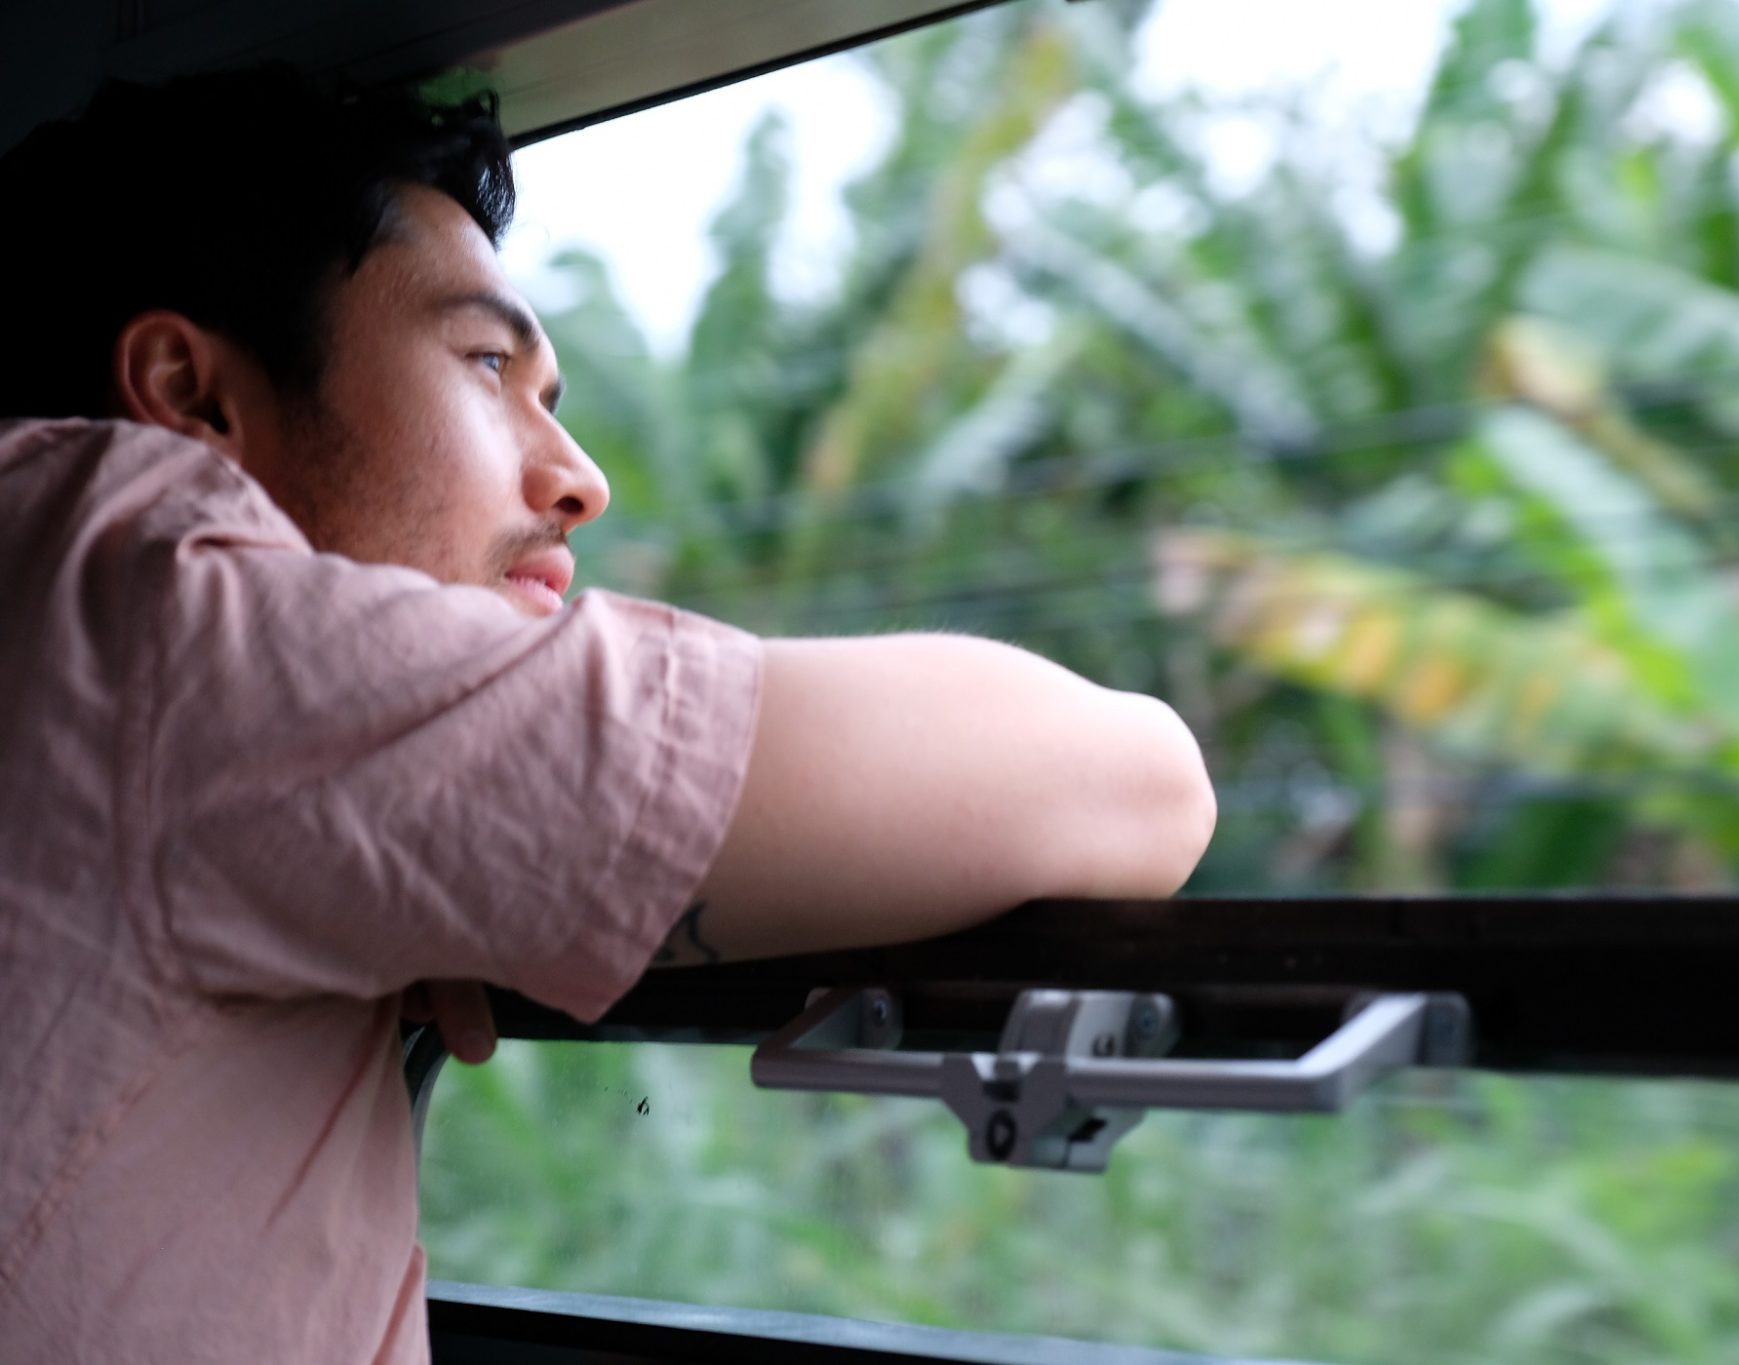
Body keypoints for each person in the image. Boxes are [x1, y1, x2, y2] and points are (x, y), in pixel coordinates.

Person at [0, 67, 1215, 1363]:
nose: (580, 480)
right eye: (487, 364)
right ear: (193, 397)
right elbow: (1135, 785)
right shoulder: (161, 613)